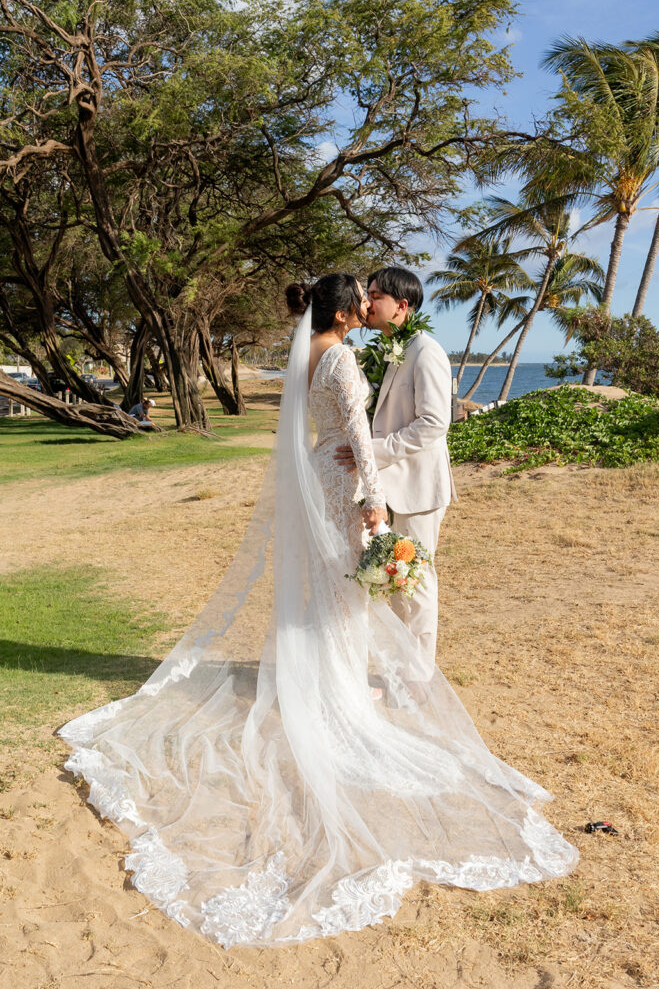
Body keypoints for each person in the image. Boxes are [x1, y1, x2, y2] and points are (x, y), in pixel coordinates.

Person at [58, 273, 577, 951]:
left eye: (374, 296)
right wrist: (371, 499)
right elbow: (359, 434)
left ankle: (327, 682)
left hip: (317, 473)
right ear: (341, 310)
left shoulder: (312, 353)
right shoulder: (337, 356)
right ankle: (340, 696)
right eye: (360, 297)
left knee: (328, 590)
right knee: (346, 593)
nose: (368, 305)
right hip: (344, 482)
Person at [335, 266, 454, 684]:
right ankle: (405, 670)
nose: (367, 304)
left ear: (402, 306)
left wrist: (372, 451)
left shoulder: (426, 351)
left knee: (418, 583)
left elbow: (435, 423)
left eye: (375, 296)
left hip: (419, 490)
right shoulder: (390, 351)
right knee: (396, 583)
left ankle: (419, 680)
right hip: (391, 489)